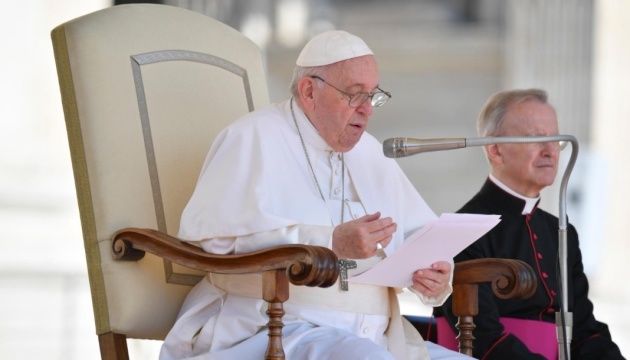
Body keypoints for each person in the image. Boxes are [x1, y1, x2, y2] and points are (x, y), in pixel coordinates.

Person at [160, 30, 470, 359]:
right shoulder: (253, 137)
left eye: (373, 95)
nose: (367, 110)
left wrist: (434, 276)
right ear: (309, 91)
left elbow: (417, 234)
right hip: (272, 329)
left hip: (376, 338)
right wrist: (330, 242)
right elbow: (219, 240)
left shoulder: (370, 152)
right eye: (355, 95)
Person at [434, 89, 625, 360]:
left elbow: (583, 328)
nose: (550, 151)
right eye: (536, 139)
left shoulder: (561, 232)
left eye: (556, 139)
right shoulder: (459, 231)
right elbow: (483, 339)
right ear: (496, 149)